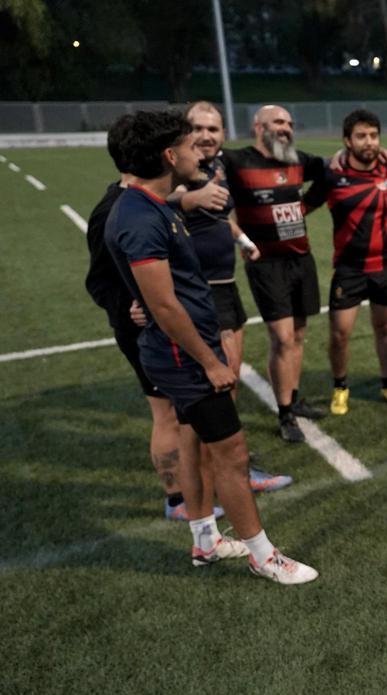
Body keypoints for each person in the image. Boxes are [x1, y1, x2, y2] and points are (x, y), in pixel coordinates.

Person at [105, 109, 317, 583]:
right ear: (168, 155)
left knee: (195, 443)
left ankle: (205, 541)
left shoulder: (151, 204)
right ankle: (264, 556)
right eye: (186, 143)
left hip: (183, 351)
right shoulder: (140, 216)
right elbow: (163, 305)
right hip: (186, 355)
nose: (195, 149)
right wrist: (209, 361)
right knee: (232, 452)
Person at [174, 101, 293, 493]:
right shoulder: (176, 170)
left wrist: (242, 239)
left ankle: (226, 469)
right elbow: (144, 201)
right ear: (185, 132)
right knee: (211, 394)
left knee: (226, 389)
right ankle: (222, 478)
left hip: (225, 288)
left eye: (214, 128)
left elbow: (218, 215)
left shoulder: (216, 167)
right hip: (197, 296)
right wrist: (184, 200)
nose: (207, 135)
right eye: (198, 128)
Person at [85, 114, 197, 521]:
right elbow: (98, 282)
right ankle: (177, 500)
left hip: (170, 322)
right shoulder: (113, 211)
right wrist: (130, 307)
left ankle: (196, 485)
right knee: (164, 410)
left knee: (184, 409)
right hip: (143, 330)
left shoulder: (154, 200)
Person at [222, 105, 328, 443]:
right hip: (266, 263)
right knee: (281, 338)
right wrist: (239, 235)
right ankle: (284, 413)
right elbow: (210, 193)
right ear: (258, 126)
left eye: (289, 123)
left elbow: (328, 173)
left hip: (301, 258)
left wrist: (304, 207)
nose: (286, 128)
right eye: (278, 122)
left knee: (297, 335)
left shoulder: (296, 158)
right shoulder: (236, 161)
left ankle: (293, 399)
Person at [302, 109, 387, 416]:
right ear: (347, 141)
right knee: (339, 333)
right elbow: (302, 208)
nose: (369, 142)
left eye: (374, 135)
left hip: (386, 265)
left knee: (385, 328)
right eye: (361, 136)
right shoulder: (331, 175)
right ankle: (340, 387)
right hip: (349, 269)